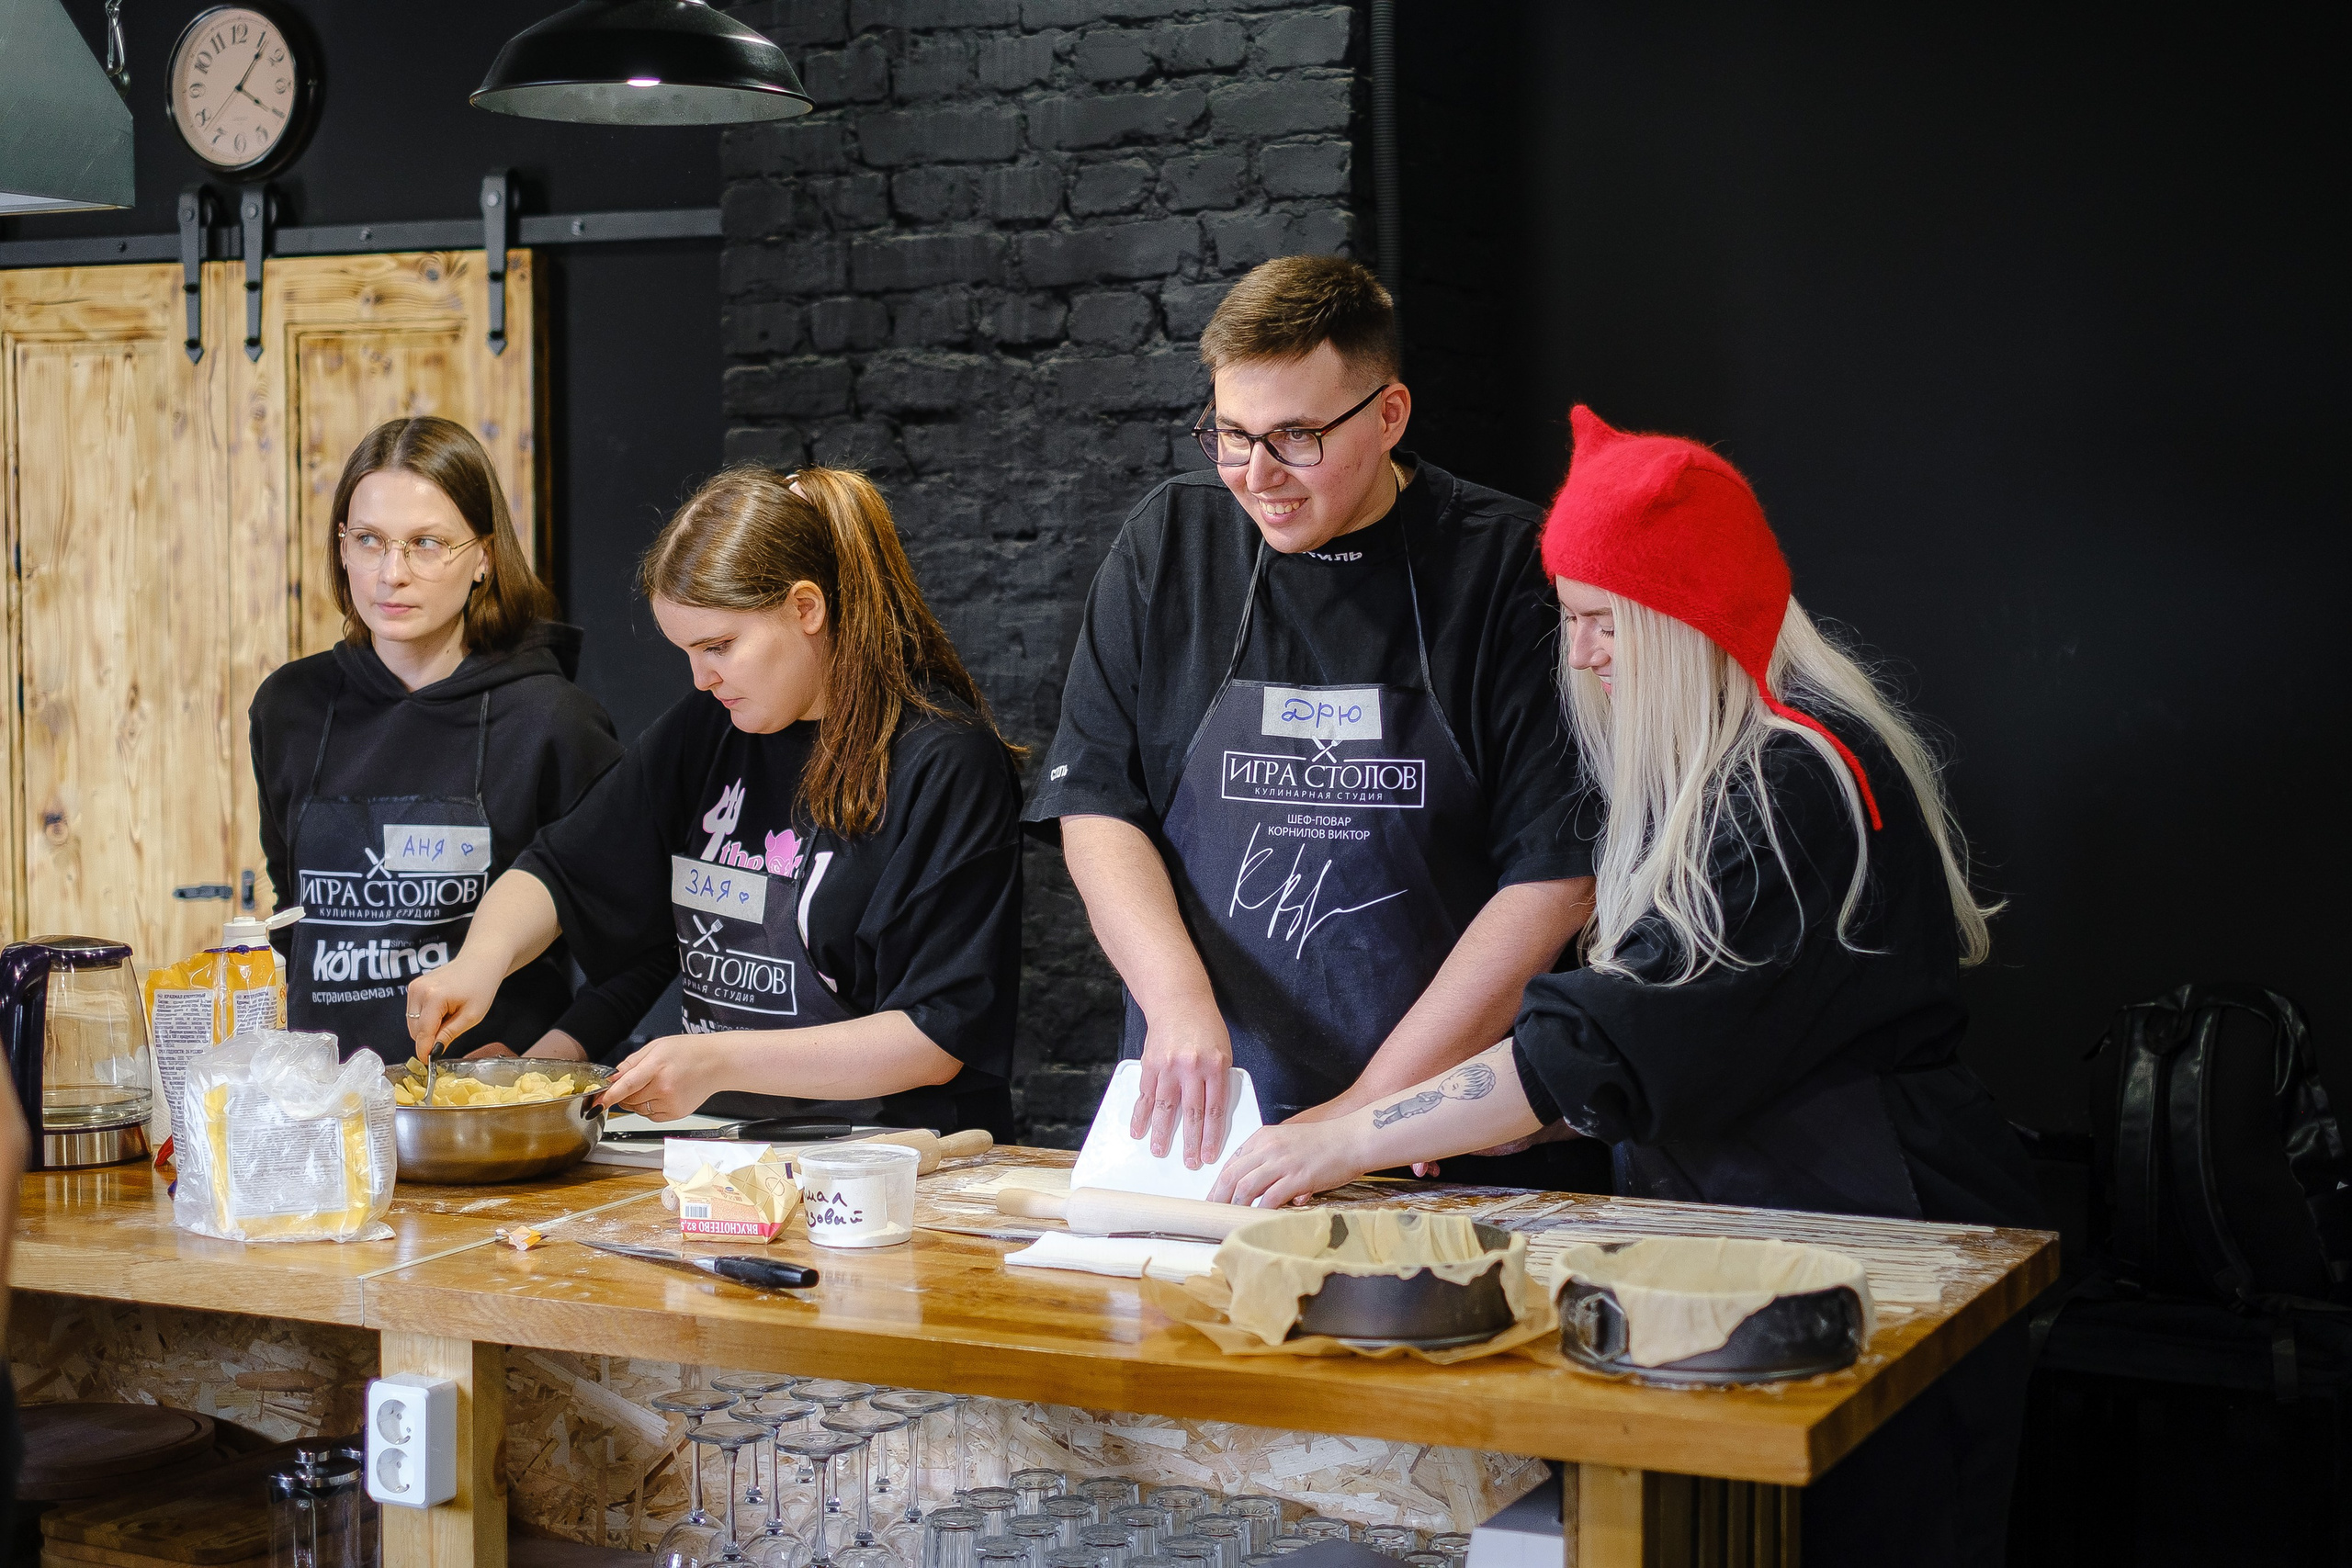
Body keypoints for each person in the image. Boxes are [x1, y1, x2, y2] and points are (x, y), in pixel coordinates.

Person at [1211, 407, 2045, 1566]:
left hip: (1870, 1235)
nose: (1585, 656)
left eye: (1605, 622)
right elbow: (1666, 1047)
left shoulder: (1792, 780)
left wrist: (1346, 1136)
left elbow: (1601, 1046)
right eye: (1572, 623)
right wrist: (1512, 1114)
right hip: (1758, 1226)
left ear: (1687, 619)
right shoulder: (1754, 762)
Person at [1026, 255, 1601, 1185]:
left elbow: (1555, 880)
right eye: (1229, 434)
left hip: (1442, 1142)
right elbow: (1097, 803)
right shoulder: (1170, 545)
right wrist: (1176, 1004)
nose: (1257, 477)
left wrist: (1369, 1116)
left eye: (1295, 438)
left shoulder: (1504, 571)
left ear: (1388, 416)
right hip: (1208, 1134)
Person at [404, 467, 1024, 1134]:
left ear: (806, 608)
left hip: (894, 1164)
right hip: (729, 1151)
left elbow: (933, 1039)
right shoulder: (711, 728)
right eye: (689, 653)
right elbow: (561, 871)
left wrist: (715, 1062)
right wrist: (479, 961)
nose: (702, 678)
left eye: (719, 646)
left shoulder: (947, 765)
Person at [249, 416, 662, 1062]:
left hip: (483, 1127)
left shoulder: (552, 721)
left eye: (427, 544)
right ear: (341, 547)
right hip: (328, 1115)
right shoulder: (290, 707)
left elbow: (646, 943)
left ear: (484, 557)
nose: (392, 573)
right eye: (369, 540)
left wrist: (543, 1066)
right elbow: (294, 921)